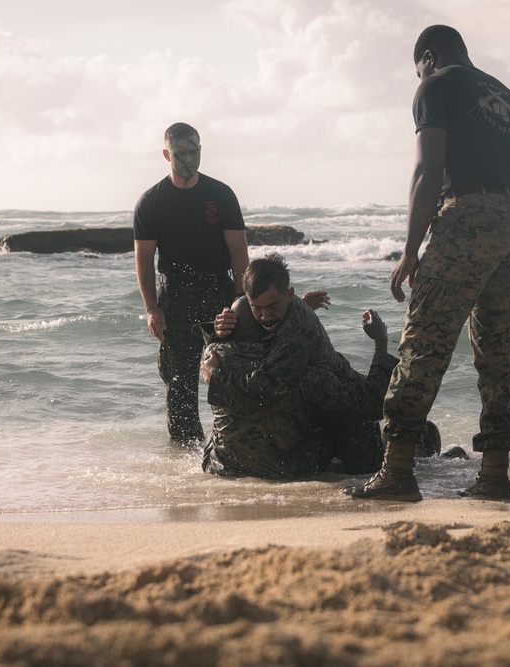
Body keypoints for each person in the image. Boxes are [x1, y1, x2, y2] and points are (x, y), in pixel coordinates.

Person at [345, 24, 510, 503]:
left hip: (467, 218)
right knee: (499, 355)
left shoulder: (434, 85)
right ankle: (494, 475)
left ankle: (398, 472)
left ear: (428, 57)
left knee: (423, 346)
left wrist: (411, 249)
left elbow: (428, 170)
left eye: (418, 69)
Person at [203, 254, 439, 475]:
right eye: (257, 309)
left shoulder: (294, 349)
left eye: (273, 307)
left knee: (349, 428)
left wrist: (381, 342)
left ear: (289, 295)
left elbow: (369, 403)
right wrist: (216, 334)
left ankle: (416, 450)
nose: (265, 317)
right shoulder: (274, 349)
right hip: (302, 444)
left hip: (224, 461)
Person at [133, 122, 250, 442]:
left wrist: (241, 300)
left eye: (194, 151)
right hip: (175, 295)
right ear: (166, 154)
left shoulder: (220, 195)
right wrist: (151, 307)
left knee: (229, 373)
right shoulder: (151, 201)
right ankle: (186, 458)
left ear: (201, 150)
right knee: (179, 383)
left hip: (219, 293)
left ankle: (234, 446)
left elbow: (238, 250)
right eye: (180, 153)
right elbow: (144, 259)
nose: (189, 159)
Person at [200, 295, 397, 479]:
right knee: (351, 418)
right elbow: (370, 406)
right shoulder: (296, 369)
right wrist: (381, 341)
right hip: (286, 469)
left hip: (222, 466)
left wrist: (218, 333)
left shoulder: (214, 355)